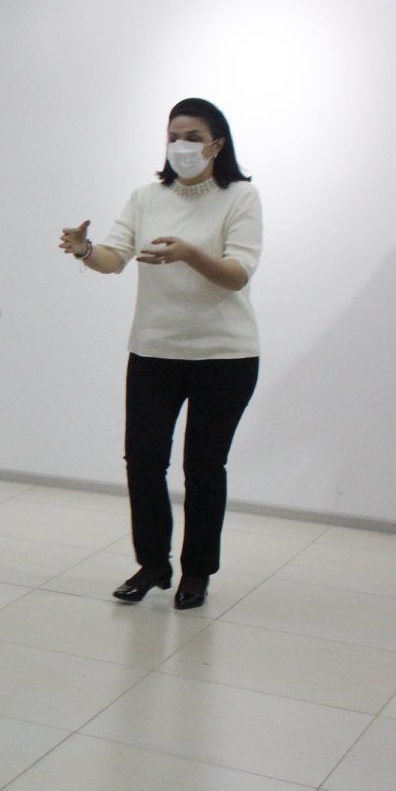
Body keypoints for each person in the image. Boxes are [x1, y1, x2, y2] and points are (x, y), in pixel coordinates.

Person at [60, 97, 262, 610]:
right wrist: (86, 250)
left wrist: (189, 253)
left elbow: (237, 274)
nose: (181, 146)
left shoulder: (240, 196)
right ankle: (153, 564)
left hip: (225, 357)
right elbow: (114, 259)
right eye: (173, 136)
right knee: (144, 461)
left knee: (204, 467)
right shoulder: (146, 197)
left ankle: (197, 572)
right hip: (154, 352)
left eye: (193, 137)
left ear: (217, 145)